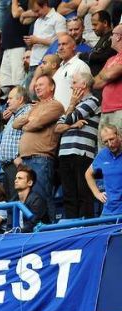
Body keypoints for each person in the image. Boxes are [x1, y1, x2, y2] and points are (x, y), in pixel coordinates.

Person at [13, 75, 64, 220]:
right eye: (36, 85)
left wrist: (27, 123)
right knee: (31, 200)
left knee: (43, 196)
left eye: (41, 84)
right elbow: (15, 124)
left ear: (52, 87)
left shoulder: (56, 105)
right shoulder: (36, 107)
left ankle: (50, 229)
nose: (37, 87)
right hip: (26, 160)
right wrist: (29, 121)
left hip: (41, 158)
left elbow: (37, 124)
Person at [55, 72, 100, 219]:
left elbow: (66, 120)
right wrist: (72, 125)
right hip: (65, 153)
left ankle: (86, 225)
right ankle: (71, 225)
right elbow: (57, 127)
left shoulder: (92, 101)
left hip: (82, 153)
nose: (71, 86)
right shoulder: (75, 105)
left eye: (74, 83)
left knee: (83, 193)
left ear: (84, 85)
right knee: (69, 194)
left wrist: (69, 120)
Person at [86, 124, 122, 215]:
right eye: (106, 142)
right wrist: (97, 193)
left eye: (112, 139)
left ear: (119, 135)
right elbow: (88, 174)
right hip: (108, 211)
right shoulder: (102, 155)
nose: (110, 144)